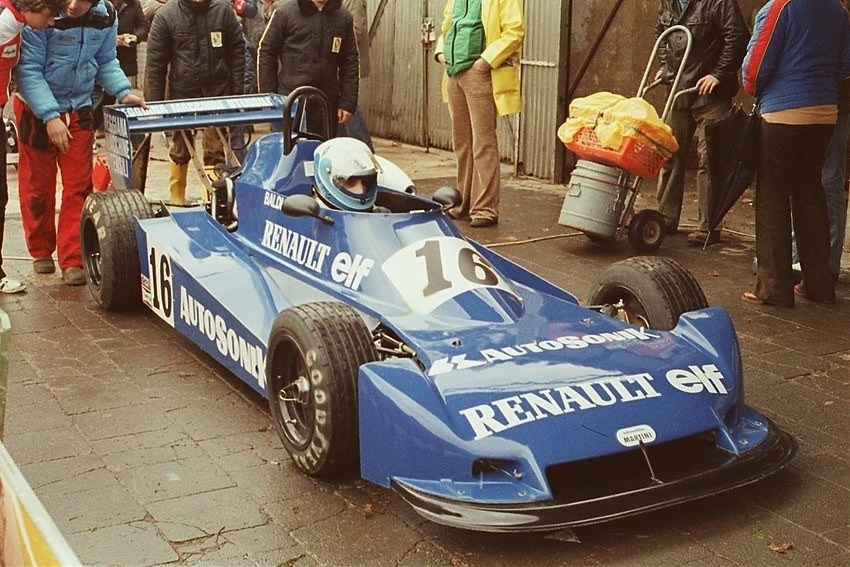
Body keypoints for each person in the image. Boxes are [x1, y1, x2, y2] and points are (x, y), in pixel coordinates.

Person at [14, 0, 146, 285]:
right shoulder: (44, 13)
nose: (73, 5)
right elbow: (28, 70)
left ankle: (72, 257)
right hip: (36, 110)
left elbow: (106, 60)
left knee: (79, 185)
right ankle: (40, 250)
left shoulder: (106, 15)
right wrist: (50, 116)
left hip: (79, 106)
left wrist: (123, 91)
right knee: (37, 185)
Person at [741, 0, 850, 307]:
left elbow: (756, 67)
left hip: (783, 113)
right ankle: (819, 285)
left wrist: (756, 89)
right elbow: (845, 64)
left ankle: (773, 288)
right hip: (826, 111)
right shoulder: (838, 10)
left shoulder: (780, 7)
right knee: (811, 194)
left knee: (773, 197)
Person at [653, 0, 748, 246]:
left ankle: (709, 226)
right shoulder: (668, 2)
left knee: (711, 158)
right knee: (670, 153)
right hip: (678, 90)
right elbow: (662, 34)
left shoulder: (719, 2)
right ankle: (664, 217)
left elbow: (737, 36)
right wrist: (664, 66)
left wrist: (719, 72)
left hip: (710, 93)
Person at [144, 0, 246, 204]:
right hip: (181, 95)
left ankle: (213, 198)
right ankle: (177, 196)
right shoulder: (167, 15)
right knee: (180, 149)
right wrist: (154, 104)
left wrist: (237, 94)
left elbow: (237, 53)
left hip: (217, 94)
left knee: (215, 150)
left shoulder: (223, 12)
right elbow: (156, 63)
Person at [434, 0, 524, 228]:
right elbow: (448, 26)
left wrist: (485, 62)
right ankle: (463, 204)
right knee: (462, 143)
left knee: (483, 142)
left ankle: (485, 208)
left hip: (479, 73)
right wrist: (440, 53)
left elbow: (514, 31)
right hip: (454, 73)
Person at [0, 0, 66, 294]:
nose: (52, 22)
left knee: (0, 197)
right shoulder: (3, 20)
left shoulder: (19, 25)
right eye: (50, 15)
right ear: (36, 5)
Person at [257, 0, 359, 138]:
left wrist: (348, 102)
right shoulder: (285, 12)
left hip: (326, 104)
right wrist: (269, 96)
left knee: (322, 154)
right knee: (287, 154)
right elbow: (267, 50)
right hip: (289, 102)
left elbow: (350, 60)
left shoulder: (343, 17)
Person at [791, 77, 850, 283]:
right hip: (828, 97)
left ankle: (821, 260)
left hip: (827, 98)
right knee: (823, 178)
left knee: (826, 178)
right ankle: (817, 259)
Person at [91, 0, 148, 132]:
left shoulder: (133, 4)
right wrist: (111, 39)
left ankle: (129, 133)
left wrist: (136, 37)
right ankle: (96, 128)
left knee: (115, 95)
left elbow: (144, 26)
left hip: (123, 58)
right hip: (98, 58)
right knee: (98, 96)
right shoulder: (98, 5)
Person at [336, 0, 372, 151]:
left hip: (345, 63)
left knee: (349, 106)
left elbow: (357, 29)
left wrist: (331, 43)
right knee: (339, 110)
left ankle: (365, 151)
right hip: (334, 65)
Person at [312, 137, 381, 211]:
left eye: (366, 181)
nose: (361, 190)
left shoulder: (378, 213)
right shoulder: (311, 215)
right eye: (350, 181)